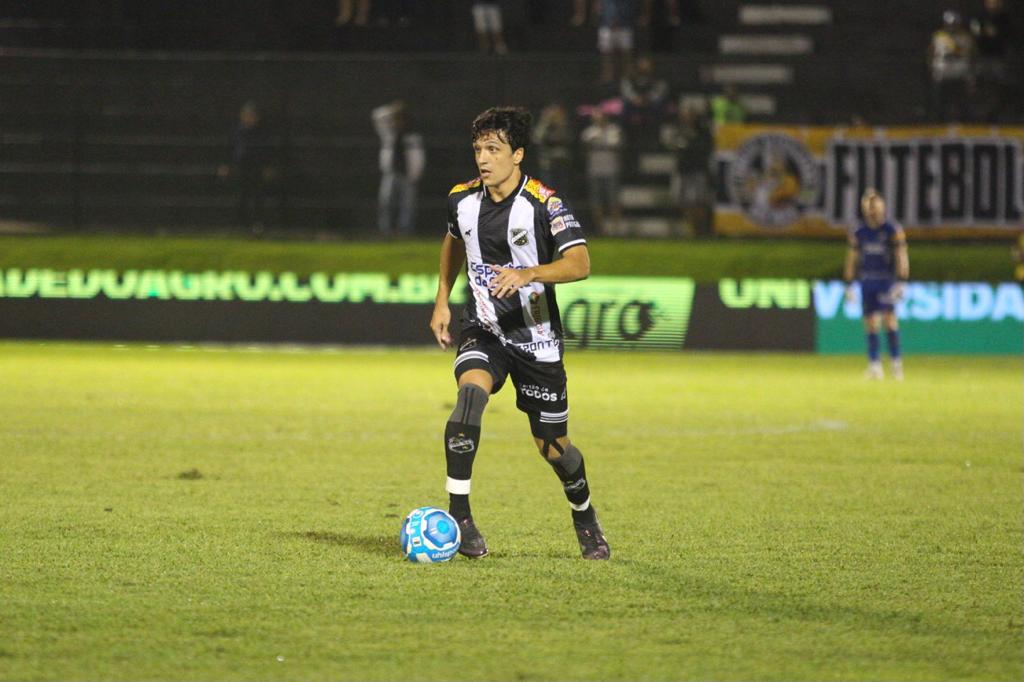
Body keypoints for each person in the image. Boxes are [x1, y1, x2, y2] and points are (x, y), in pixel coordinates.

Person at [429, 106, 610, 560]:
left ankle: (585, 517)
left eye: (494, 149)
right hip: (484, 328)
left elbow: (580, 263)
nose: (484, 159)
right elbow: (454, 240)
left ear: (518, 155)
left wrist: (529, 274)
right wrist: (441, 300)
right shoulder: (461, 199)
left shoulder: (545, 204)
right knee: (470, 396)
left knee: (554, 448)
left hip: (537, 340)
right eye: (478, 150)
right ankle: (460, 519)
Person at [843, 189, 910, 380]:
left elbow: (901, 255)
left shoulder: (892, 230)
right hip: (867, 281)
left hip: (885, 280)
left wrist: (902, 281)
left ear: (882, 207)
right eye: (869, 206)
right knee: (870, 324)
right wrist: (848, 284)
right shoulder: (859, 232)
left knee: (889, 321)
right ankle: (875, 366)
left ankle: (896, 365)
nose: (872, 210)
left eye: (875, 206)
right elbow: (852, 258)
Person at [217, 101, 274, 235]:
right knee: (241, 197)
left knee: (257, 198)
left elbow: (267, 151)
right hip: (241, 168)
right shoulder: (237, 131)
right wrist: (225, 165)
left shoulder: (262, 133)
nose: (250, 119)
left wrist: (268, 166)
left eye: (252, 116)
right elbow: (229, 148)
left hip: (256, 168)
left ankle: (257, 225)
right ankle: (244, 225)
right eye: (247, 116)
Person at [372, 100, 425, 236]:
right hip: (390, 173)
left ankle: (404, 231)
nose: (397, 122)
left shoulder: (412, 136)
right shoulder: (389, 134)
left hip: (408, 175)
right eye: (395, 118)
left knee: (407, 205)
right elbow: (377, 115)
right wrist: (391, 109)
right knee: (385, 202)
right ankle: (385, 230)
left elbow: (418, 158)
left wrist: (415, 175)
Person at [661, 102, 713, 235]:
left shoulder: (702, 130)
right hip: (682, 168)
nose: (688, 117)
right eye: (686, 115)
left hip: (697, 169)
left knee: (699, 203)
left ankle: (702, 230)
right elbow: (671, 144)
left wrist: (688, 145)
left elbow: (705, 146)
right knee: (683, 202)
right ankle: (691, 229)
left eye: (691, 115)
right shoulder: (679, 129)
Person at [580, 110, 624, 234]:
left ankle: (616, 229)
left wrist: (599, 143)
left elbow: (616, 145)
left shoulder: (614, 130)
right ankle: (601, 229)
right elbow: (585, 147)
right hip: (594, 170)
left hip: (611, 170)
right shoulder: (589, 132)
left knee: (613, 200)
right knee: (596, 201)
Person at [928, 10, 975, 122]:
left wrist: (970, 75)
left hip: (960, 74)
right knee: (940, 104)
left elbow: (971, 55)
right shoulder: (939, 36)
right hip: (942, 74)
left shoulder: (965, 37)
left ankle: (965, 124)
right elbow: (931, 53)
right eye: (949, 24)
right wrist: (932, 68)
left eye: (954, 24)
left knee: (962, 103)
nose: (952, 27)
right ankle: (938, 125)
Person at [532, 103, 574, 194]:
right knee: (548, 188)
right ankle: (548, 207)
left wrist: (560, 124)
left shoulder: (564, 126)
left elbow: (567, 139)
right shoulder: (544, 126)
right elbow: (537, 138)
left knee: (562, 189)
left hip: (561, 161)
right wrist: (545, 122)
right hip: (547, 163)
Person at [598, 0, 638, 84]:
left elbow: (631, 9)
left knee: (627, 54)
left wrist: (620, 20)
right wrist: (608, 20)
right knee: (606, 55)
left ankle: (627, 79)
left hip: (625, 27)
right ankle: (607, 78)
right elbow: (600, 8)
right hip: (607, 26)